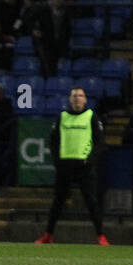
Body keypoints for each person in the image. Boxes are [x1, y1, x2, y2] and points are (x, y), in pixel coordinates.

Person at [35, 88, 108, 246]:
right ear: (70, 99)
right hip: (65, 165)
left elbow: (101, 143)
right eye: (74, 96)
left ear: (85, 100)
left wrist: (89, 160)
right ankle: (48, 234)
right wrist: (57, 160)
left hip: (84, 166)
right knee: (58, 201)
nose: (77, 99)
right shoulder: (63, 117)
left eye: (80, 96)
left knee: (91, 201)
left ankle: (101, 236)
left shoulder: (91, 117)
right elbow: (53, 141)